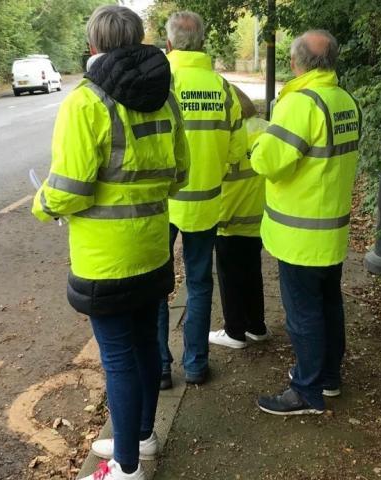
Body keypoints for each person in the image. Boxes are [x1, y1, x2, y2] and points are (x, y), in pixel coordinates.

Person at [32, 6, 189, 479]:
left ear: (94, 46)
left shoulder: (85, 102)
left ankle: (126, 467)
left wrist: (42, 203)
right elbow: (180, 173)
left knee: (119, 359)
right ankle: (139, 437)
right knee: (144, 346)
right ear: (138, 40)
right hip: (153, 248)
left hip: (106, 259)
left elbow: (70, 188)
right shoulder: (165, 98)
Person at [251, 30, 361, 415]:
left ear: (296, 63)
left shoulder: (301, 104)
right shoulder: (344, 100)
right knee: (329, 303)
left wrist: (258, 141)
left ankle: (306, 391)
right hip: (331, 229)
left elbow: (268, 162)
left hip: (300, 234)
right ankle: (328, 377)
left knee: (303, 314)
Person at [157, 11, 246, 388]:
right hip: (207, 203)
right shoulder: (222, 88)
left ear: (169, 44)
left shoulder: (160, 83)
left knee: (156, 286)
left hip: (163, 203)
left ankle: (160, 367)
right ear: (204, 43)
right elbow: (237, 148)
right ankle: (195, 365)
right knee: (199, 283)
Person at [208, 86, 269, 349]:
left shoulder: (226, 134)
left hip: (229, 217)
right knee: (252, 272)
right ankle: (256, 326)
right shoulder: (266, 128)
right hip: (259, 217)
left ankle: (234, 332)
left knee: (229, 277)